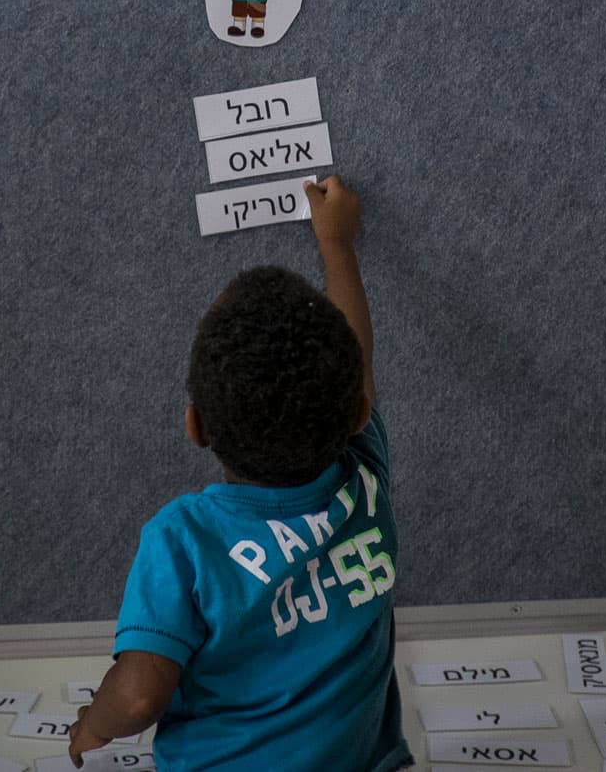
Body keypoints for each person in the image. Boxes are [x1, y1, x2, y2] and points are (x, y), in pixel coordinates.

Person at [68, 176, 410, 771]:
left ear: (195, 425)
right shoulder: (365, 479)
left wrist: (93, 723)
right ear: (357, 412)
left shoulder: (183, 538)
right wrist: (337, 245)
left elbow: (141, 691)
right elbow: (359, 355)